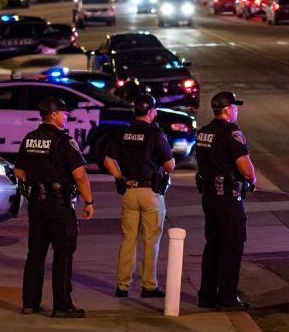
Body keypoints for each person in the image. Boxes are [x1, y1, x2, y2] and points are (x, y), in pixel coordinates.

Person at [14, 96, 94, 318]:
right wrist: (89, 202)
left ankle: (30, 303)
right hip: (59, 207)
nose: (66, 117)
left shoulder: (29, 139)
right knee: (63, 255)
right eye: (65, 114)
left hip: (37, 205)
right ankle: (62, 306)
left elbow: (19, 171)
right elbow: (80, 176)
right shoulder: (64, 141)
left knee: (35, 254)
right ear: (55, 115)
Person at [103, 93, 175, 298]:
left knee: (128, 240)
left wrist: (121, 177)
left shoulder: (124, 133)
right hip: (150, 193)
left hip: (129, 192)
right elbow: (170, 165)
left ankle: (122, 285)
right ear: (151, 112)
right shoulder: (155, 134)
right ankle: (149, 286)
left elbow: (109, 160)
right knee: (151, 240)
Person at [194, 90, 257, 311]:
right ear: (228, 109)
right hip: (228, 197)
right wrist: (252, 178)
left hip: (209, 195)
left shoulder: (204, 132)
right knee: (232, 245)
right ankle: (227, 297)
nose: (236, 110)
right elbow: (244, 166)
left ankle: (207, 295)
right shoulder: (231, 132)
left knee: (213, 244)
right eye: (235, 107)